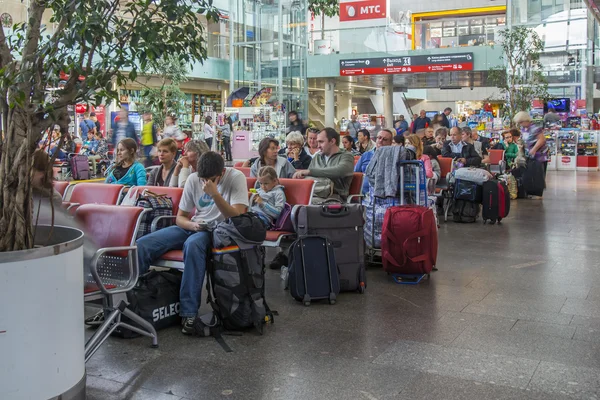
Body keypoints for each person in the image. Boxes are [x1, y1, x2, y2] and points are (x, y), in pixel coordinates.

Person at [136, 152, 249, 334]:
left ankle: (188, 313)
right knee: (142, 245)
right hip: (194, 226)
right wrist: (193, 225)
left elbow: (237, 216)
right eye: (203, 179)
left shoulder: (236, 177)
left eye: (211, 179)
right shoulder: (193, 179)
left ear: (222, 172)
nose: (206, 183)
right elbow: (181, 218)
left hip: (219, 231)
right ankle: (135, 302)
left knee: (193, 245)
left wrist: (215, 195)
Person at [293, 128, 354, 201]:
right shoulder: (317, 157)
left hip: (335, 198)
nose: (318, 146)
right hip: (314, 194)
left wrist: (310, 171)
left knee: (303, 203)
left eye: (321, 142)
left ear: (332, 141)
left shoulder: (346, 156)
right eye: (318, 142)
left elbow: (340, 171)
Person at [354, 129, 394, 193]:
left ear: (390, 143)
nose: (381, 141)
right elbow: (355, 173)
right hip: (364, 193)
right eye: (379, 138)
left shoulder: (393, 157)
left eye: (385, 139)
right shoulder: (366, 155)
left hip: (384, 193)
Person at [514, 111, 549, 175]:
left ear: (526, 120)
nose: (520, 124)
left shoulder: (535, 128)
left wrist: (534, 149)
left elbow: (542, 140)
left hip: (539, 157)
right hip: (529, 157)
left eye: (521, 122)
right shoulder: (523, 129)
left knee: (538, 177)